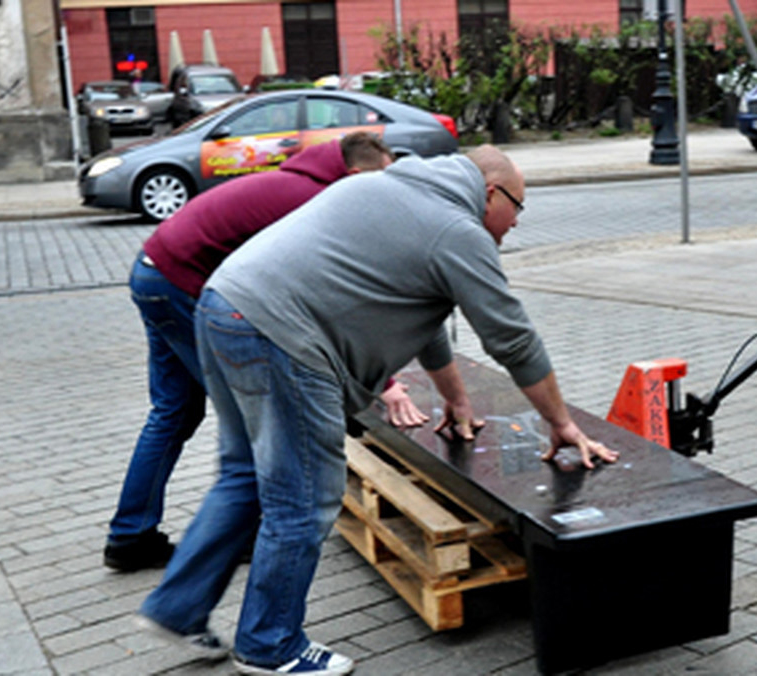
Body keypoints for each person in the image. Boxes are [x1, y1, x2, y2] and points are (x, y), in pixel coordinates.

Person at [136, 145, 619, 675]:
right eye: (518, 208)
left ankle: (176, 609)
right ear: (489, 193)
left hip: (222, 306)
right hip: (281, 337)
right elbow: (513, 340)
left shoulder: (391, 190)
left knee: (245, 473)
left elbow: (426, 318)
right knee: (304, 496)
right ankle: (269, 644)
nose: (516, 223)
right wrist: (561, 423)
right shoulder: (458, 231)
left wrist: (456, 397)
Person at [104, 133, 428, 572]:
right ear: (353, 176)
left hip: (154, 271)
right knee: (256, 414)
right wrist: (383, 384)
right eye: (379, 184)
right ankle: (237, 536)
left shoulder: (299, 182)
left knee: (174, 411)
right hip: (182, 284)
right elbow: (320, 299)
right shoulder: (314, 200)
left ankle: (131, 537)